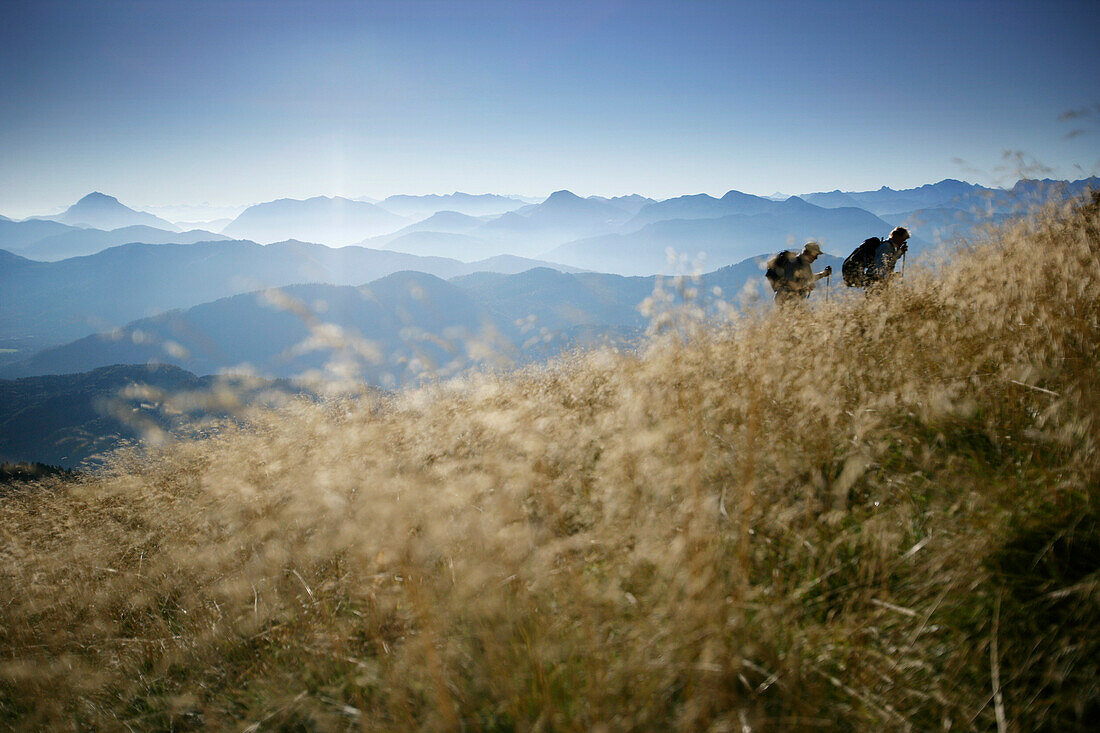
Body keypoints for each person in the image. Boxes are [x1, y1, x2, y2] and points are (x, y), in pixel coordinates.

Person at [766, 241, 832, 306]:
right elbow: (790, 283)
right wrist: (806, 287)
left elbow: (809, 278)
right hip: (786, 299)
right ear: (808, 253)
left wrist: (823, 274)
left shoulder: (804, 264)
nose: (816, 258)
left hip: (794, 300)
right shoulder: (794, 263)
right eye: (815, 255)